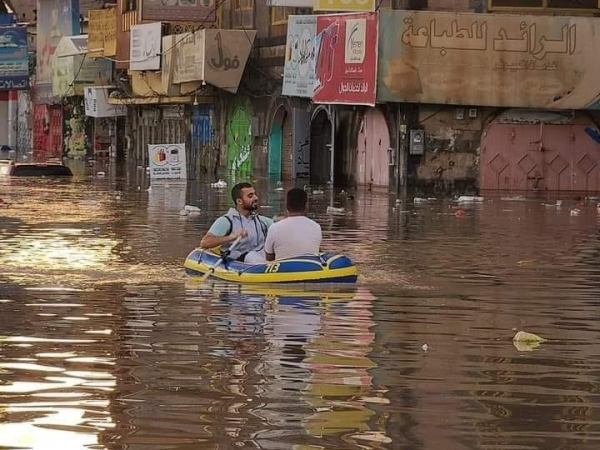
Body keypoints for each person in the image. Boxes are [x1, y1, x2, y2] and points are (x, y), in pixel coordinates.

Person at [200, 182, 273, 264]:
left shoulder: (262, 221)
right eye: (250, 196)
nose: (256, 198)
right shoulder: (226, 221)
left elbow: (279, 227)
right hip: (240, 260)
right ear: (239, 201)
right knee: (252, 257)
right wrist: (231, 237)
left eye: (255, 194)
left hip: (261, 257)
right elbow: (205, 242)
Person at [264, 188, 321, 261]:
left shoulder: (275, 228)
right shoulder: (316, 227)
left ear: (286, 206)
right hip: (310, 270)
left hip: (283, 270)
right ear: (306, 206)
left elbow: (269, 258)